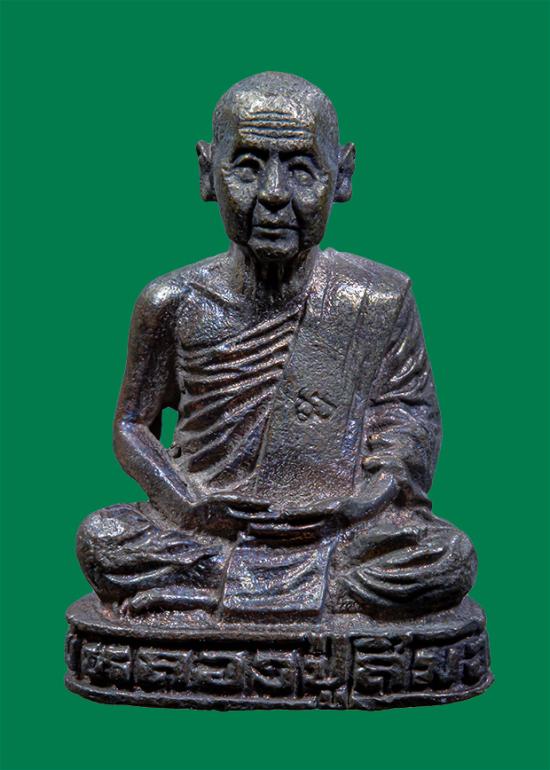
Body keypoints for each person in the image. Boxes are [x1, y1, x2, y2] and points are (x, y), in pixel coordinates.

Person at [77, 72, 476, 619]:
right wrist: (187, 503)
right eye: (246, 166)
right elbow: (130, 425)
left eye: (302, 169)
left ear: (343, 175)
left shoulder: (377, 298)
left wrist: (368, 497)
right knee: (103, 539)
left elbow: (409, 416)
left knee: (447, 556)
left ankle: (229, 590)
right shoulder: (172, 301)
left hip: (336, 527)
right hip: (212, 525)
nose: (273, 194)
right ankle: (301, 590)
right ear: (207, 172)